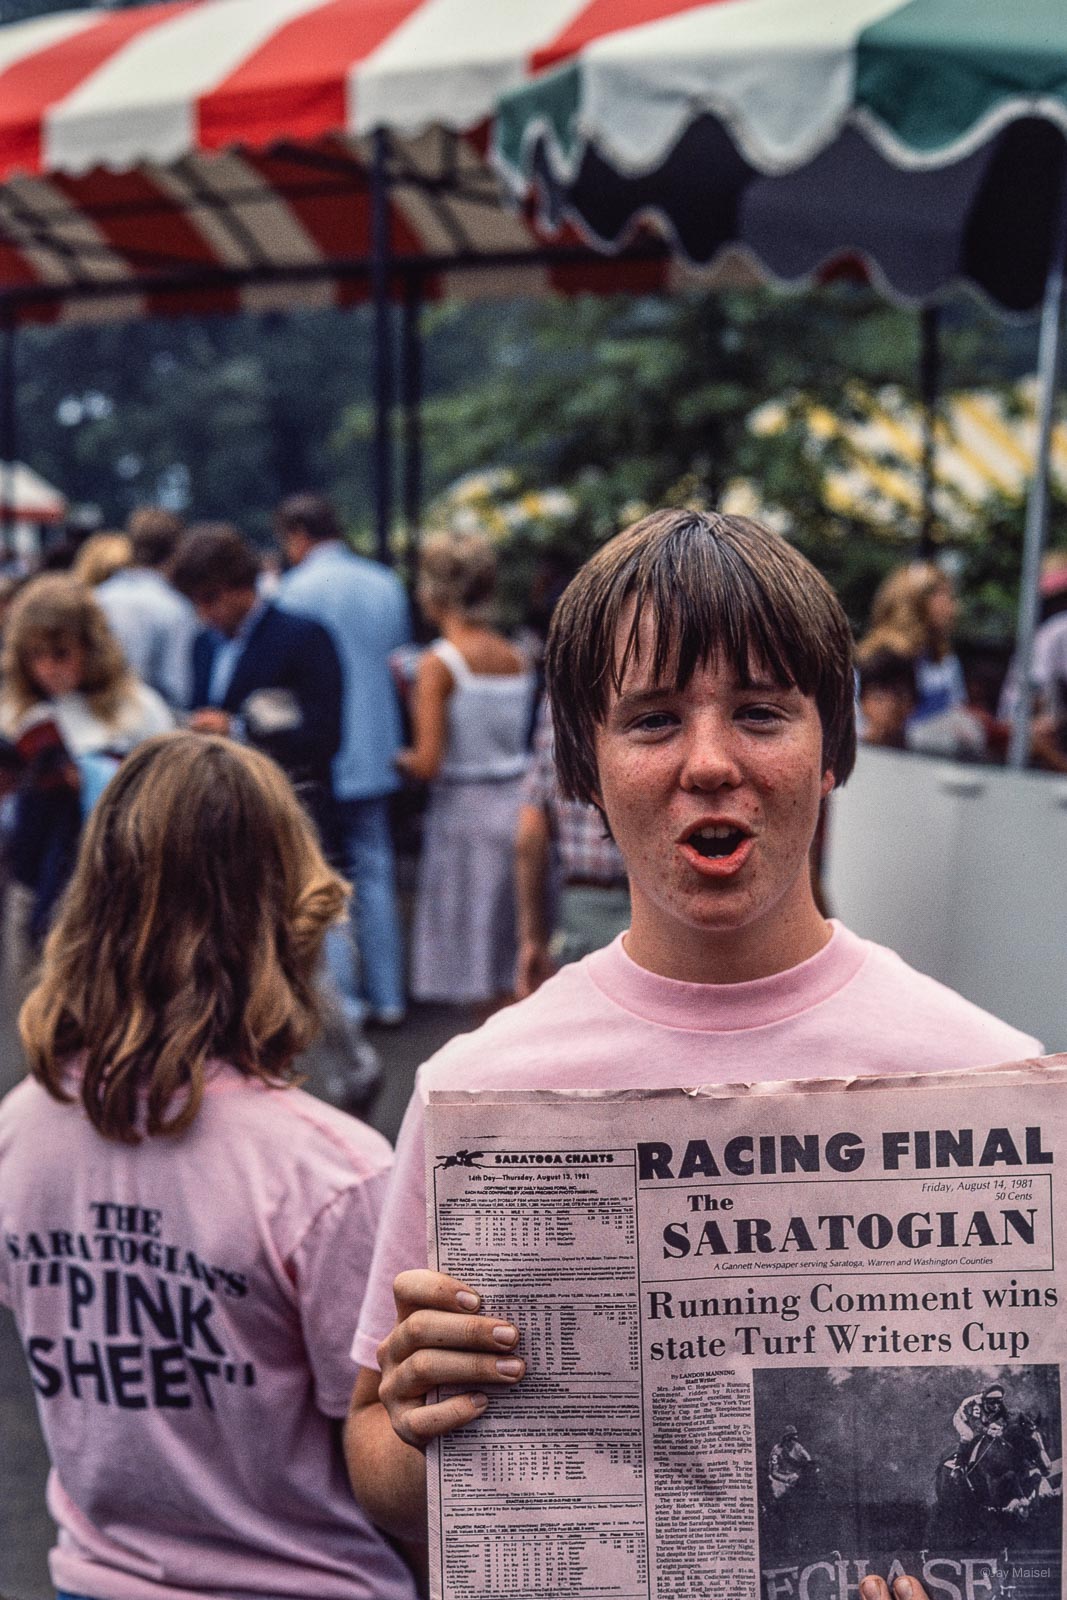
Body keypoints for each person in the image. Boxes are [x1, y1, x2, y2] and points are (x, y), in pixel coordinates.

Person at [342, 509, 1039, 1547]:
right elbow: (375, 1460)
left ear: (830, 747)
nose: (709, 761)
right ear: (580, 765)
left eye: (759, 713)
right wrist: (414, 1422)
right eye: (652, 720)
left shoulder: (992, 1080)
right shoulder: (475, 1088)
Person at [0, 732, 419, 1600]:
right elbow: (388, 1449)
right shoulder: (329, 1171)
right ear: (291, 908)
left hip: (100, 1577)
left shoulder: (21, 1128)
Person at [275, 493, 411, 1026]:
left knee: (324, 872)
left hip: (320, 747)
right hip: (378, 742)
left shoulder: (294, 589)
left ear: (297, 535)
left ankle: (345, 1001)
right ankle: (389, 994)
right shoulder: (385, 583)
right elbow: (398, 662)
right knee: (375, 868)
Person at [399, 529, 535, 1007]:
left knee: (475, 959)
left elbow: (427, 762)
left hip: (464, 815)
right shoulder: (517, 656)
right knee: (513, 959)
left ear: (434, 590)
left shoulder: (439, 663)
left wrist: (398, 758)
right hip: (518, 806)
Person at [0, 574, 173, 943]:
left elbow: (167, 794)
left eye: (61, 654)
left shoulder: (137, 708)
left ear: (90, 647)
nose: (47, 668)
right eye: (35, 656)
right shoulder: (16, 709)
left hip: (113, 887)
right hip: (29, 881)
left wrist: (97, 778)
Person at [170, 522, 344, 854]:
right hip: (221, 820)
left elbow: (324, 737)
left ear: (242, 585)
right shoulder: (203, 644)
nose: (203, 612)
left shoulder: (303, 637)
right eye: (195, 602)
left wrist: (237, 729)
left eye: (210, 598)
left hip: (286, 814)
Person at [514, 694, 629, 998]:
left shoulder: (562, 698)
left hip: (584, 903)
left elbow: (530, 833)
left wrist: (532, 937)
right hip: (666, 906)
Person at [96, 507, 198, 709]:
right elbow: (177, 687)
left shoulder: (98, 597)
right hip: (153, 718)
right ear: (177, 550)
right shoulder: (176, 608)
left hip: (99, 713)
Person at [855, 647, 917, 749]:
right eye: (879, 697)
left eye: (900, 695)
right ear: (862, 702)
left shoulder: (927, 755)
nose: (891, 705)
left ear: (913, 702)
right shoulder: (851, 753)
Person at [768, 1425, 812, 1501]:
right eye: (791, 1438)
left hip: (795, 1477)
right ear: (785, 1438)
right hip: (779, 1480)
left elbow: (808, 1459)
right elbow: (773, 1472)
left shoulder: (798, 1447)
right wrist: (787, 1479)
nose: (794, 1441)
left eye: (795, 1438)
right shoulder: (776, 1451)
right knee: (780, 1498)